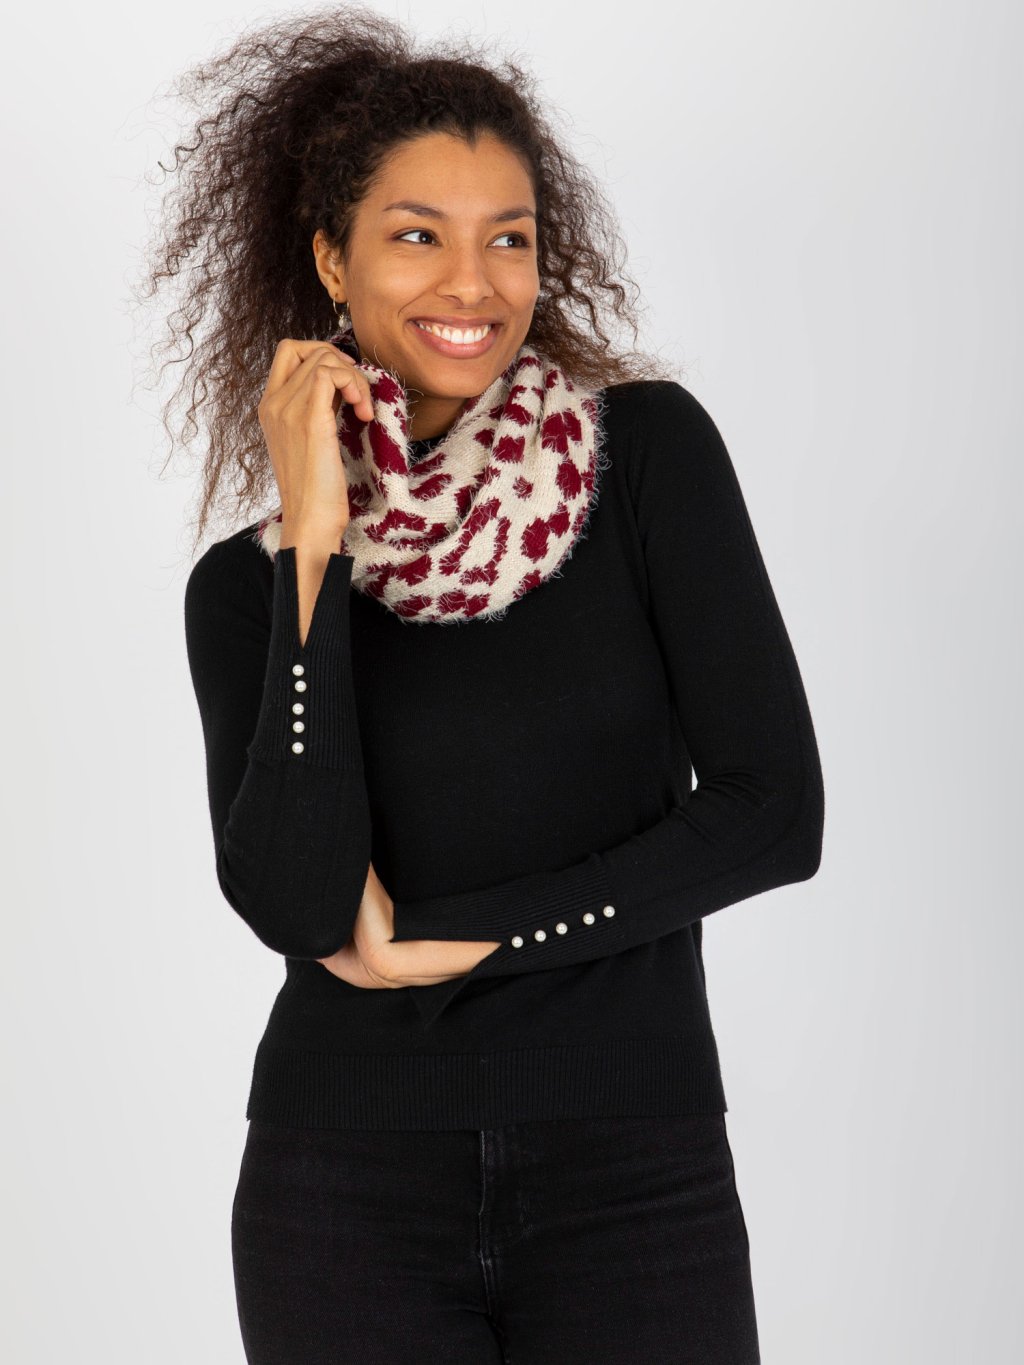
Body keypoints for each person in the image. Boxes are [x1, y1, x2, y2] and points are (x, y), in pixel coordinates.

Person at [163, 9, 824, 1363]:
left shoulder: (644, 458)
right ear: (331, 259)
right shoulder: (247, 586)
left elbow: (775, 813)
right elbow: (298, 903)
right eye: (418, 235)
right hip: (341, 1188)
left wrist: (470, 938)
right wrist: (314, 547)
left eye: (508, 238)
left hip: (635, 1175)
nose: (473, 282)